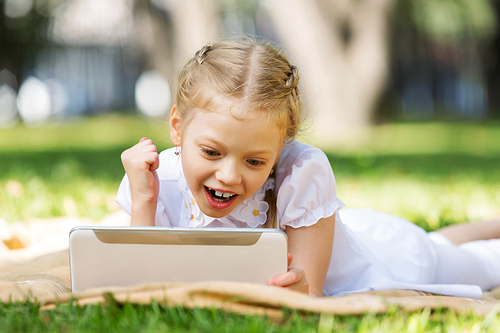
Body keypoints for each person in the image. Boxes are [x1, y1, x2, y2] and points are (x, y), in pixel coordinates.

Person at [116, 39, 500, 298]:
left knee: (471, 261)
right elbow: (139, 282)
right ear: (177, 127)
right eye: (212, 153)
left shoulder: (300, 174)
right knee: (440, 241)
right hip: (356, 231)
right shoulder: (154, 179)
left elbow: (309, 292)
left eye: (254, 162)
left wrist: (299, 285)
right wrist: (144, 202)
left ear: (281, 148)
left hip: (386, 257)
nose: (231, 176)